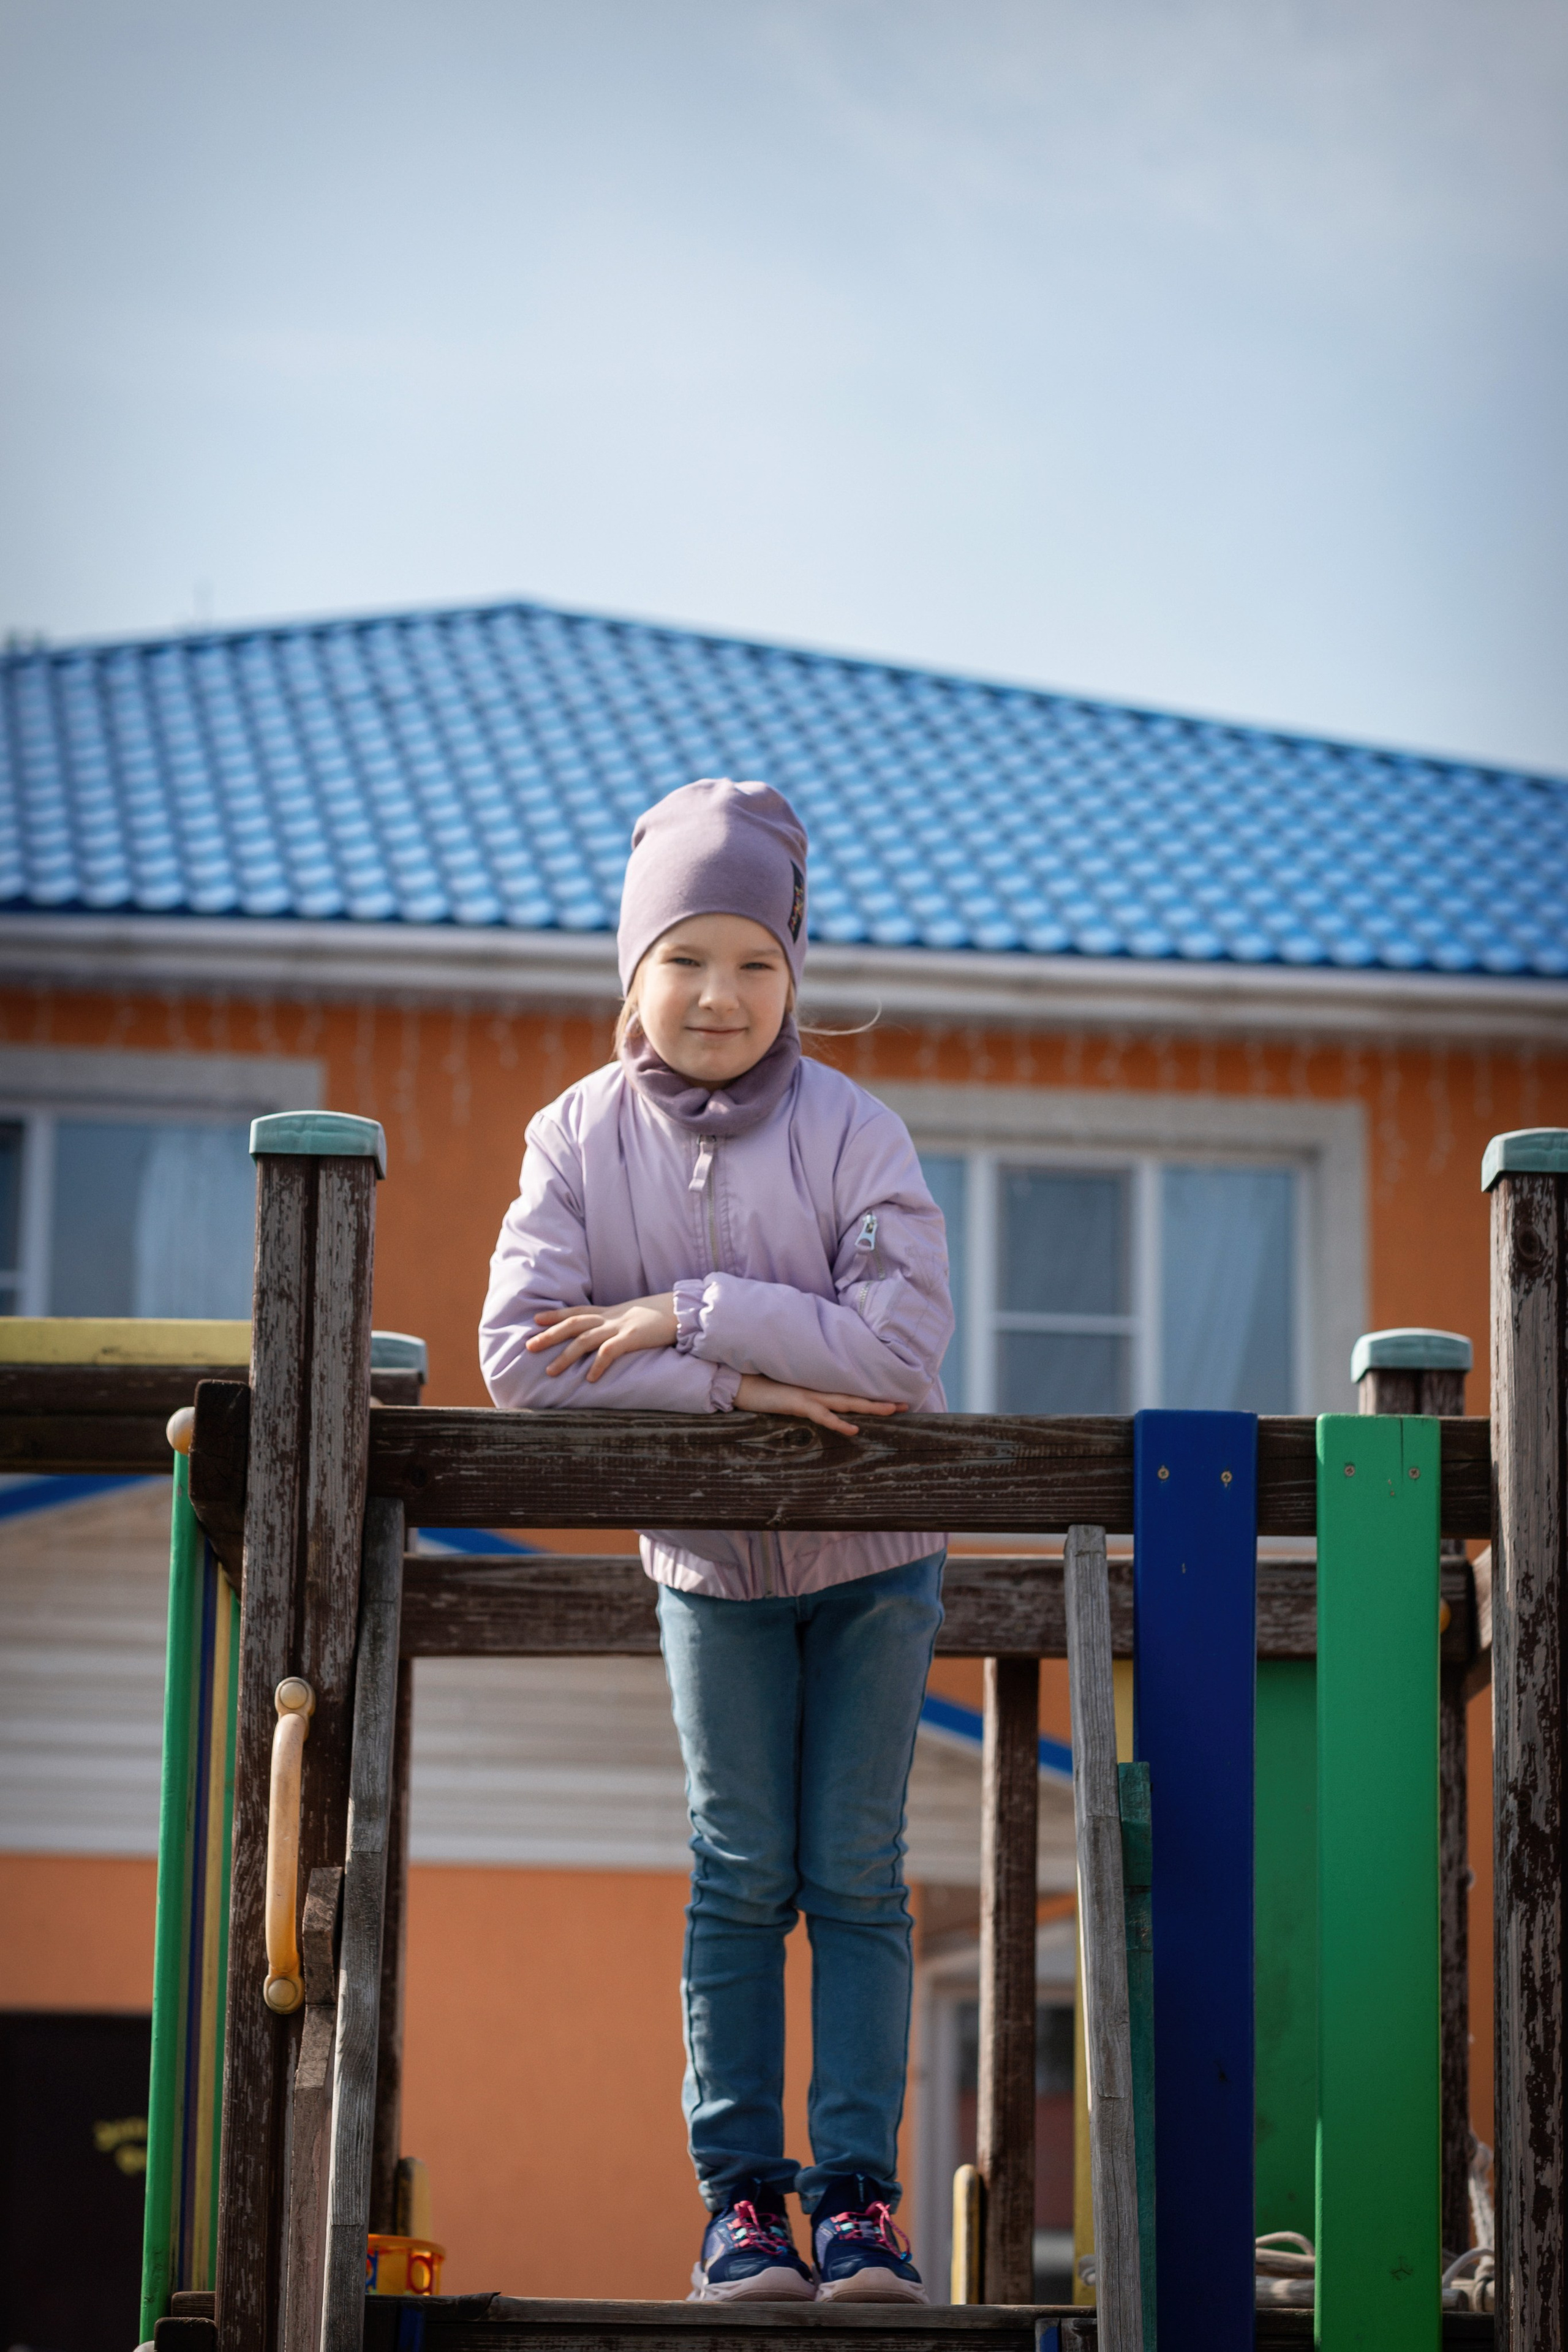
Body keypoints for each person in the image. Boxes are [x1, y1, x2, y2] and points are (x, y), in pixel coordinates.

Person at [480, 778, 955, 2304]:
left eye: (755, 962)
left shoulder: (853, 1129)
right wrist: (747, 1383)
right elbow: (523, 1356)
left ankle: (861, 2202)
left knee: (860, 1875)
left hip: (873, 1561)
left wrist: (680, 1316)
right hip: (704, 1564)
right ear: (632, 969)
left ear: (793, 975)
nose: (719, 995)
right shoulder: (573, 1138)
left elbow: (894, 1353)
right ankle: (744, 2206)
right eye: (685, 957)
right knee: (740, 1869)